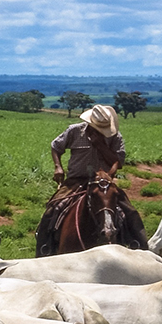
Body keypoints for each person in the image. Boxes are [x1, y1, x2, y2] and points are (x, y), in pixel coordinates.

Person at [35, 104, 147, 255]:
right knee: (54, 208)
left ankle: (140, 246)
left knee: (129, 210)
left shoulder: (115, 137)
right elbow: (56, 146)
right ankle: (44, 248)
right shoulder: (74, 131)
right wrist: (58, 167)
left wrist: (101, 146)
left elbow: (118, 161)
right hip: (75, 180)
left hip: (102, 182)